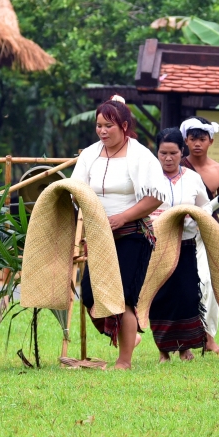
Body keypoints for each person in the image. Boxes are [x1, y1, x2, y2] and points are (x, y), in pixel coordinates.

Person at [71, 95, 166, 370]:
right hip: (100, 236)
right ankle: (128, 336)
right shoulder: (89, 155)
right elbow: (76, 191)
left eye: (108, 126)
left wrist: (122, 217)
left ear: (124, 126)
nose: (102, 131)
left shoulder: (141, 156)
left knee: (123, 298)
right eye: (99, 125)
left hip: (133, 235)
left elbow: (155, 197)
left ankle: (124, 361)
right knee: (91, 296)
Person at [180, 116, 219, 354]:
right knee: (183, 285)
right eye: (193, 138)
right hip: (180, 232)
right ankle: (181, 339)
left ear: (211, 141)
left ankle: (208, 338)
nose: (197, 143)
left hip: (208, 233)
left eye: (202, 139)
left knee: (208, 283)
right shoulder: (177, 167)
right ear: (186, 140)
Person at [150, 128, 211, 362]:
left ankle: (186, 348)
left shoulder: (193, 178)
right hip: (156, 246)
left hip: (186, 244)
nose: (168, 158)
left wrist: (194, 216)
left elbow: (205, 206)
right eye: (163, 153)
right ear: (157, 153)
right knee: (160, 296)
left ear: (181, 152)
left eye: (173, 153)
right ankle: (163, 351)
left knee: (187, 294)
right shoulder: (148, 176)